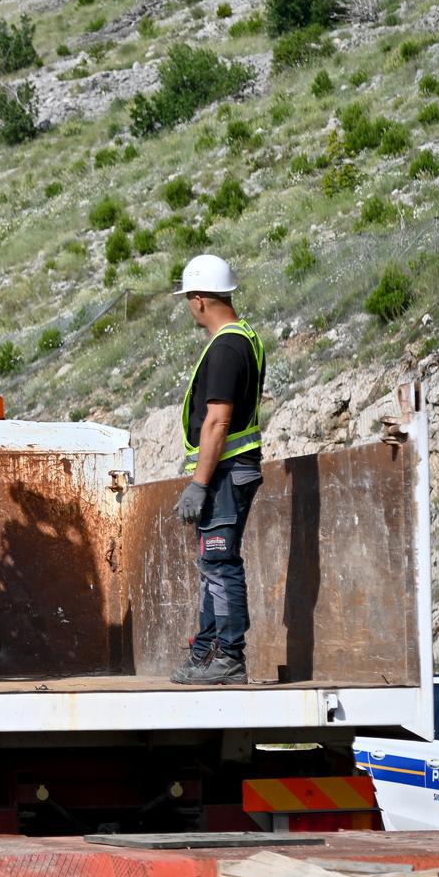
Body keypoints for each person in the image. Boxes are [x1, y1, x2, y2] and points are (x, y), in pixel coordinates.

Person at [169, 255, 266, 686]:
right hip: (228, 474)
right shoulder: (243, 339)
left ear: (200, 299)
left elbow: (217, 421)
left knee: (220, 563)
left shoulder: (227, 347)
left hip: (225, 475)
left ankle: (229, 656)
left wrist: (198, 484)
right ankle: (208, 653)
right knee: (212, 564)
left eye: (189, 298)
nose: (190, 306)